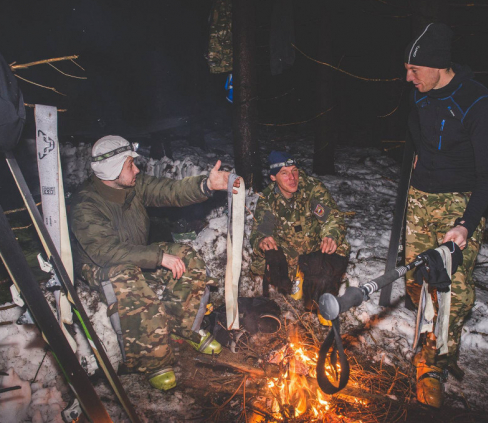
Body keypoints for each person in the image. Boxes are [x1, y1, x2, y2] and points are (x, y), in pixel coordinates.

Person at [71, 135, 239, 391]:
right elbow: (106, 251)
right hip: (99, 265)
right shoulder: (85, 205)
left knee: (186, 256)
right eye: (130, 165)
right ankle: (153, 359)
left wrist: (205, 185)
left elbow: (169, 191)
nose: (137, 169)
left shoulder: (132, 185)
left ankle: (182, 327)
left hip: (133, 252)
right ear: (112, 169)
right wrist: (158, 257)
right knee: (126, 275)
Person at [402, 23, 488, 407]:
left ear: (439, 65)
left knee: (452, 294)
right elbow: (417, 130)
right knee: (417, 282)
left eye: (414, 70)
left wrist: (465, 224)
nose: (408, 78)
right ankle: (426, 338)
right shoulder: (420, 94)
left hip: (458, 206)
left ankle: (436, 363)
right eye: (406, 69)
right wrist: (420, 157)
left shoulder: (477, 102)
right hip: (419, 198)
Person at [249, 151, 350, 311]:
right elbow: (261, 228)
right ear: (273, 177)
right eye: (284, 173)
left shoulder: (311, 189)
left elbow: (332, 218)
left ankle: (322, 297)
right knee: (262, 260)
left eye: (294, 171)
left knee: (338, 250)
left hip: (315, 247)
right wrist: (263, 240)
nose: (292, 178)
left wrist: (331, 236)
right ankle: (295, 278)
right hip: (289, 249)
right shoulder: (268, 199)